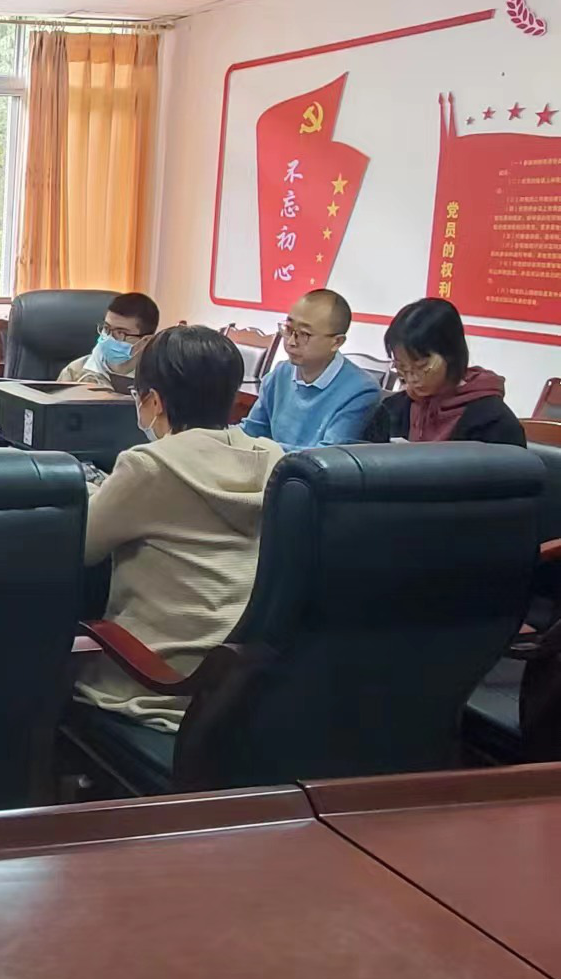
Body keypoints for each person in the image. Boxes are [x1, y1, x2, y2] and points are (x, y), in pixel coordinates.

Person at [74, 325, 285, 733]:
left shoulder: (150, 465)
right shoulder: (273, 458)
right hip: (244, 688)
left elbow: (83, 547)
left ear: (153, 400)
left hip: (161, 679)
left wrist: (89, 491)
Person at [370, 297, 524, 446]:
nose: (412, 378)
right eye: (402, 368)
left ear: (451, 354)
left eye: (422, 366)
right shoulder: (392, 409)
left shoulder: (494, 422)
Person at [240, 289, 380, 450]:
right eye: (288, 329)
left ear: (337, 342)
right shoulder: (281, 373)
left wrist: (263, 449)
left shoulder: (361, 391)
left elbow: (327, 455)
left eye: (304, 334)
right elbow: (251, 431)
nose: (291, 342)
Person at [59, 292, 160, 394]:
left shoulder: (160, 379)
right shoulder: (74, 373)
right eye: (106, 328)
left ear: (146, 341)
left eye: (120, 333)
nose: (109, 338)